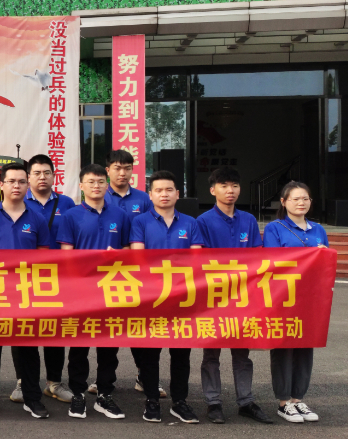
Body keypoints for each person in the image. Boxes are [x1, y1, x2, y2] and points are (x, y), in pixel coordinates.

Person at [0, 162, 53, 419]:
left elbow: (43, 258)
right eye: (11, 181)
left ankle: (32, 398)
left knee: (28, 349)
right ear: (1, 185)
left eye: (21, 181)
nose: (16, 186)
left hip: (26, 293)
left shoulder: (37, 218)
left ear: (27, 185)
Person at [195, 167, 272, 424]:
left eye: (235, 186)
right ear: (212, 190)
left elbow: (257, 255)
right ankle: (213, 402)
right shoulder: (203, 221)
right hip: (214, 297)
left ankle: (246, 401)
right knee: (211, 354)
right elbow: (201, 260)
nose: (230, 190)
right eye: (224, 185)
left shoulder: (248, 220)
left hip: (243, 296)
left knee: (242, 353)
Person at [129, 170, 203, 424]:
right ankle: (151, 400)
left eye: (169, 190)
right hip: (151, 297)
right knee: (150, 354)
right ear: (150, 195)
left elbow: (196, 260)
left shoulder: (191, 223)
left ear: (177, 194)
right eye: (158, 190)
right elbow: (138, 259)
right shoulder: (140, 222)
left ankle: (179, 401)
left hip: (182, 298)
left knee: (181, 354)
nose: (164, 194)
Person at [56, 163, 129, 420]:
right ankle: (78, 393)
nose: (96, 186)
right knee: (79, 346)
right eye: (91, 182)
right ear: (81, 186)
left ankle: (105, 394)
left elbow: (129, 249)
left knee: (108, 346)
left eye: (100, 182)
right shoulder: (71, 216)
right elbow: (66, 255)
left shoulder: (120, 215)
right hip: (81, 290)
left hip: (112, 289)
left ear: (107, 185)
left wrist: (117, 254)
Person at [13, 154, 76, 405]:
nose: (42, 177)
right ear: (28, 177)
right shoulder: (18, 200)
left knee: (54, 331)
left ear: (53, 175)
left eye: (46, 173)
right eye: (37, 173)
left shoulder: (67, 203)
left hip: (57, 278)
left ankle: (54, 382)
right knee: (22, 331)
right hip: (23, 278)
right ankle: (22, 382)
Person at [262, 181, 326, 424]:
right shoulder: (275, 228)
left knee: (305, 346)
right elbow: (272, 260)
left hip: (311, 298)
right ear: (284, 202)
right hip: (284, 297)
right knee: (283, 347)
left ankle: (298, 399)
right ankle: (284, 402)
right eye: (296, 199)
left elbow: (326, 265)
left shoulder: (318, 229)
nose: (301, 203)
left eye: (305, 199)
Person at [101, 149, 162, 399]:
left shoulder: (143, 199)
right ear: (108, 170)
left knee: (140, 328)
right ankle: (104, 380)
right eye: (117, 168)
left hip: (139, 274)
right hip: (106, 275)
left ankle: (144, 377)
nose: (122, 173)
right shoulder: (99, 194)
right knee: (109, 329)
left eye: (127, 168)